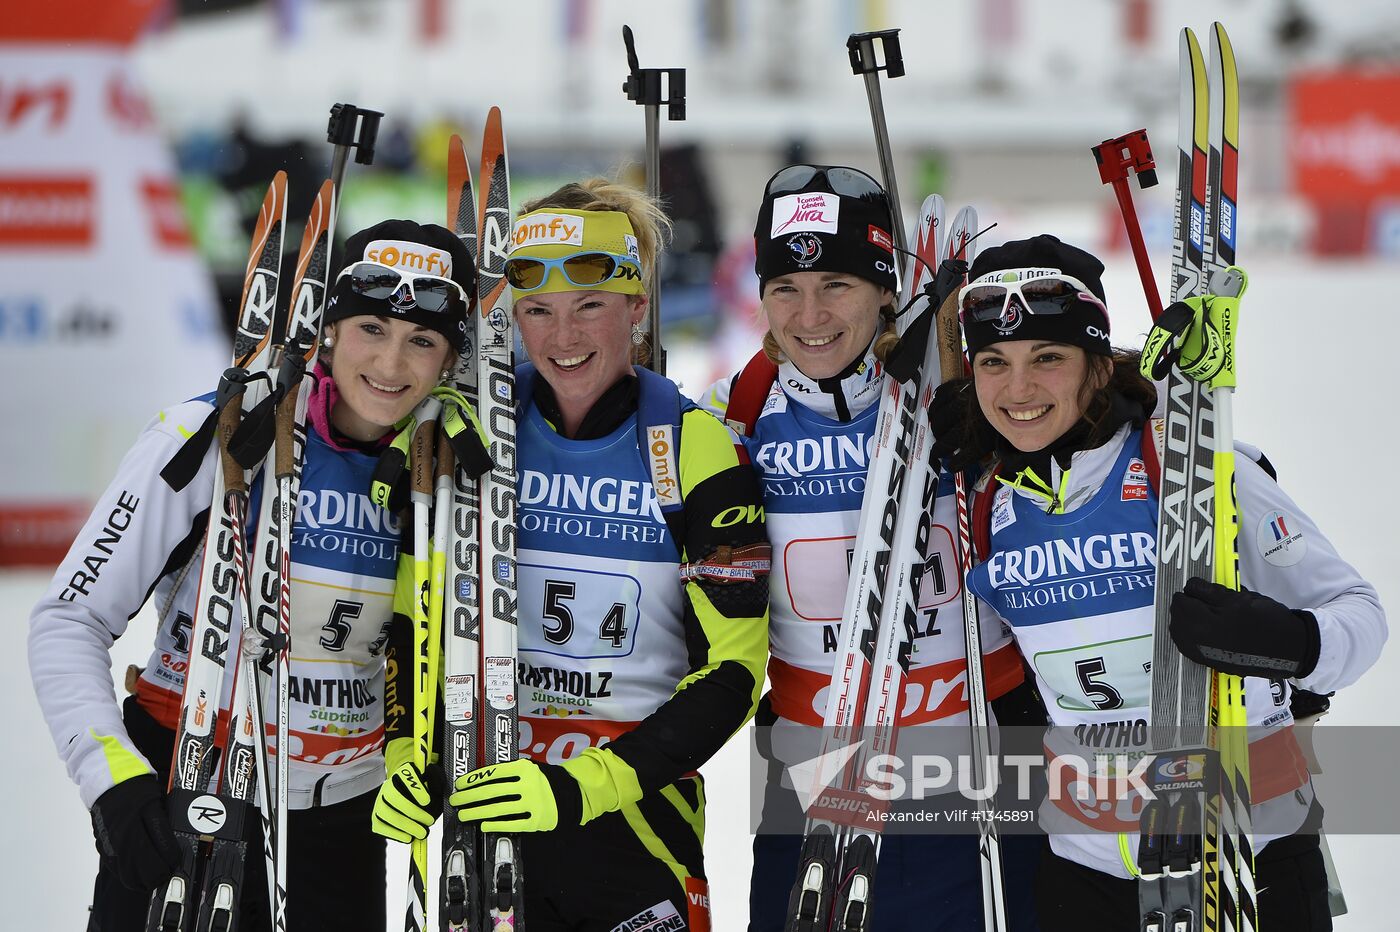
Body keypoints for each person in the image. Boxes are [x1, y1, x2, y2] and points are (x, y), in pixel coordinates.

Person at [28, 218, 475, 931]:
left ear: (450, 359)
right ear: (326, 330)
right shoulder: (214, 438)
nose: (391, 365)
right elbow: (69, 618)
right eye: (370, 329)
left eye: (421, 340)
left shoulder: (452, 478)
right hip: (187, 787)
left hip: (342, 819)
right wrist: (111, 781)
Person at [936, 234, 1387, 931]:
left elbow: (1360, 616)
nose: (1018, 389)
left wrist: (1292, 643)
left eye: (1047, 359)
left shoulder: (1200, 474)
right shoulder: (984, 504)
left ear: (1096, 365)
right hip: (1085, 877)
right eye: (994, 363)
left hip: (1249, 857)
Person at [371, 178, 772, 931]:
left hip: (633, 818)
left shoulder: (692, 446)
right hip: (481, 798)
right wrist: (405, 755)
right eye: (538, 312)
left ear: (636, 309)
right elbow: (411, 615)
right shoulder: (470, 429)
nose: (564, 337)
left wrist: (581, 788)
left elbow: (734, 675)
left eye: (589, 306)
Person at [703, 164, 1043, 931]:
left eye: (837, 284)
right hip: (814, 772)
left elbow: (1088, 431)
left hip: (980, 761)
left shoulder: (969, 397)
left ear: (887, 288)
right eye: (785, 287)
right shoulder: (732, 420)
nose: (810, 312)